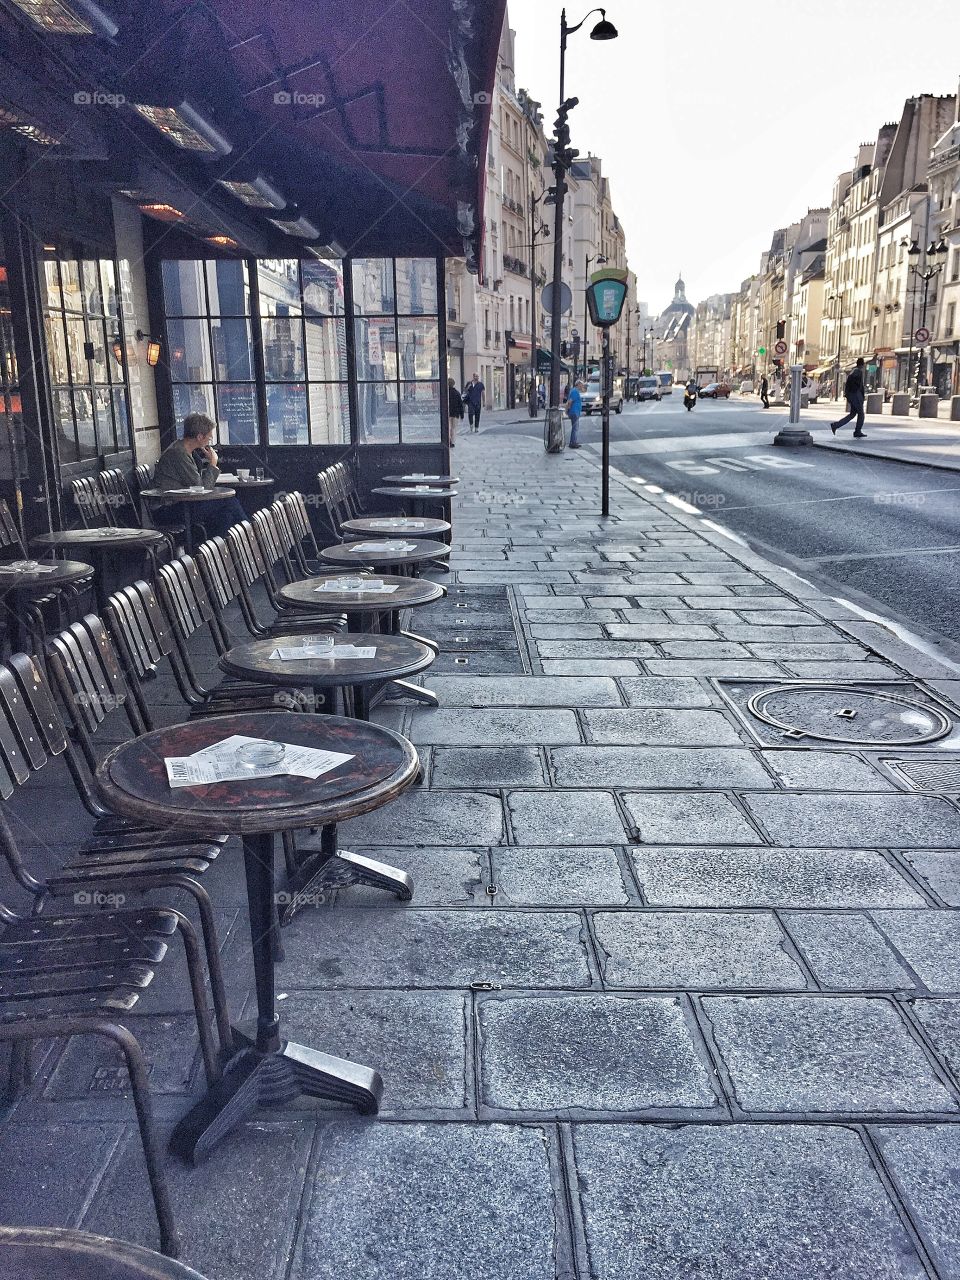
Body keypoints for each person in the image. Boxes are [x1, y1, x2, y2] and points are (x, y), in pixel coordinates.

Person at [152, 412, 246, 537]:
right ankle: (250, 536)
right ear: (200, 437)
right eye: (209, 438)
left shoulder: (184, 450)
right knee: (229, 502)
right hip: (167, 510)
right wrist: (213, 464)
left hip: (179, 505)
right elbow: (201, 489)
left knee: (225, 515)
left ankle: (221, 549)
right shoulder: (178, 453)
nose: (209, 441)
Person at [830, 357, 867, 438]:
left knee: (853, 414)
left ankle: (836, 425)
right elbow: (858, 385)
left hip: (852, 395)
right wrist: (859, 394)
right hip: (855, 395)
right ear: (862, 364)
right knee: (861, 414)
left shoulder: (854, 370)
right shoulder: (858, 371)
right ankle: (857, 431)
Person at [566, 379, 584, 449]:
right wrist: (568, 410)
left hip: (574, 411)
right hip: (574, 412)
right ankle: (573, 443)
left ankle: (573, 441)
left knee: (574, 428)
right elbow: (570, 401)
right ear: (578, 384)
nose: (582, 386)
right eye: (581, 385)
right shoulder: (575, 392)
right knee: (575, 428)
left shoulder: (574, 391)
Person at [447, 377, 463, 447]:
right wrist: (462, 415)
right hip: (455, 414)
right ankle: (453, 442)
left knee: (448, 428)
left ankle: (449, 440)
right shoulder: (457, 393)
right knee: (453, 428)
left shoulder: (445, 393)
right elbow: (460, 405)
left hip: (448, 413)